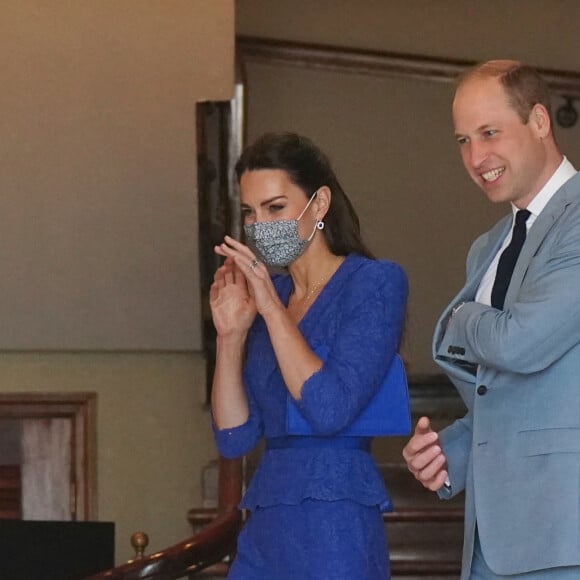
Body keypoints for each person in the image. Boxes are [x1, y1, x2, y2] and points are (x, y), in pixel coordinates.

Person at [402, 60, 580, 579]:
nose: (476, 157)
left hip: (566, 536)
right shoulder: (487, 249)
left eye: (489, 133)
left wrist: (460, 319)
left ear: (540, 121)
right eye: (463, 140)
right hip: (491, 541)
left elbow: (522, 345)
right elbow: (507, 395)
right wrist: (445, 454)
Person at [210, 132, 408, 579]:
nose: (260, 225)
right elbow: (234, 438)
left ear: (319, 204)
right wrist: (230, 336)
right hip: (265, 520)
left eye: (275, 207)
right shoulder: (270, 296)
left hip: (335, 518)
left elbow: (329, 408)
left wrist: (270, 308)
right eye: (250, 212)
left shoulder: (374, 283)